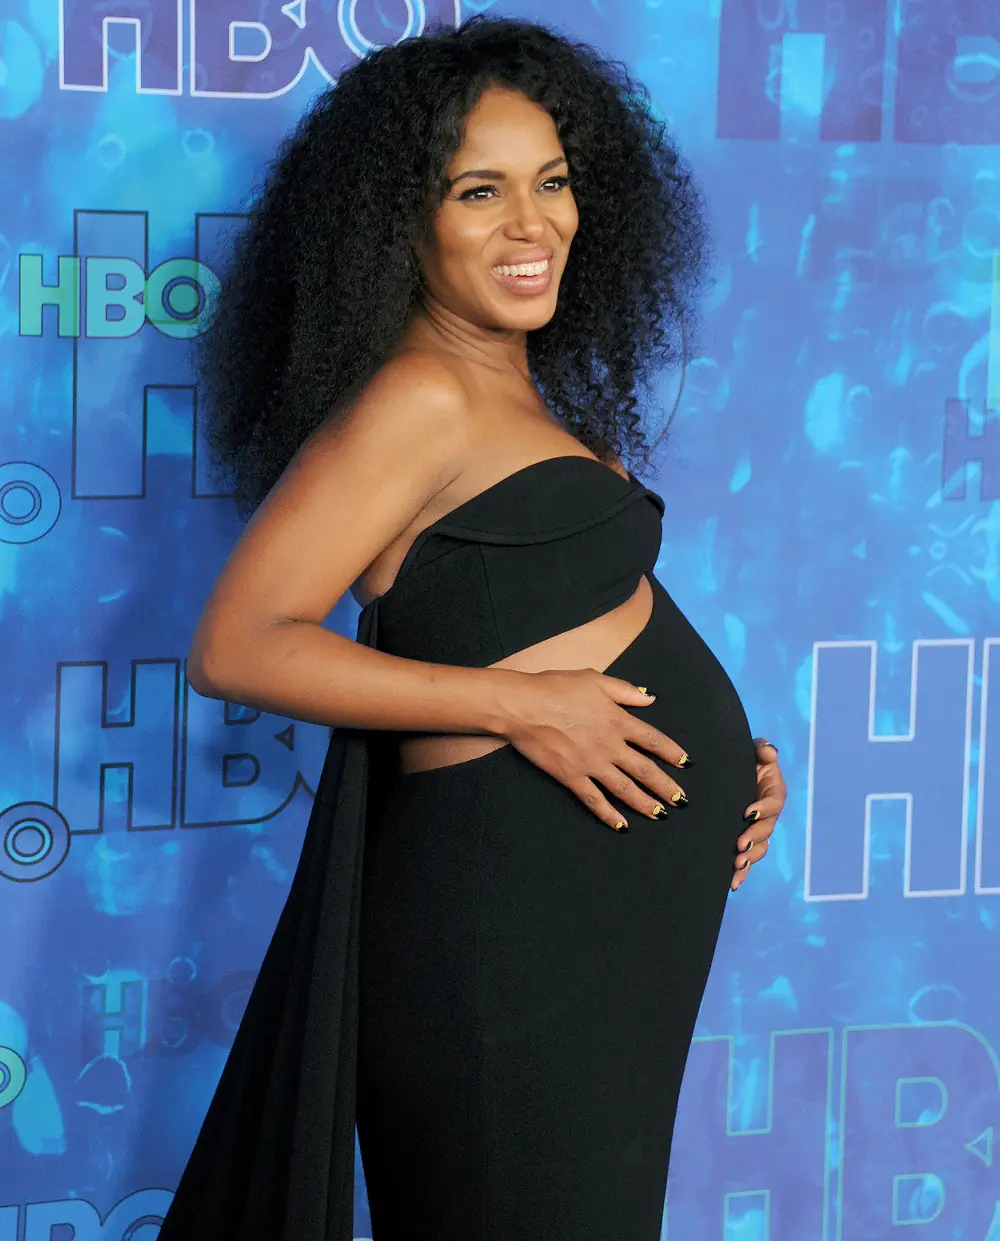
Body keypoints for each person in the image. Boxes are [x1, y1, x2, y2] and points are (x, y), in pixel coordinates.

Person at [158, 14, 787, 1241]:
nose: (531, 223)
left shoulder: (517, 386)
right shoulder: (420, 392)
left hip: (604, 935)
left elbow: (571, 609)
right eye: (479, 192)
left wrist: (733, 772)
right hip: (503, 946)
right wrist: (523, 703)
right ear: (402, 221)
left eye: (550, 183)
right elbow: (237, 642)